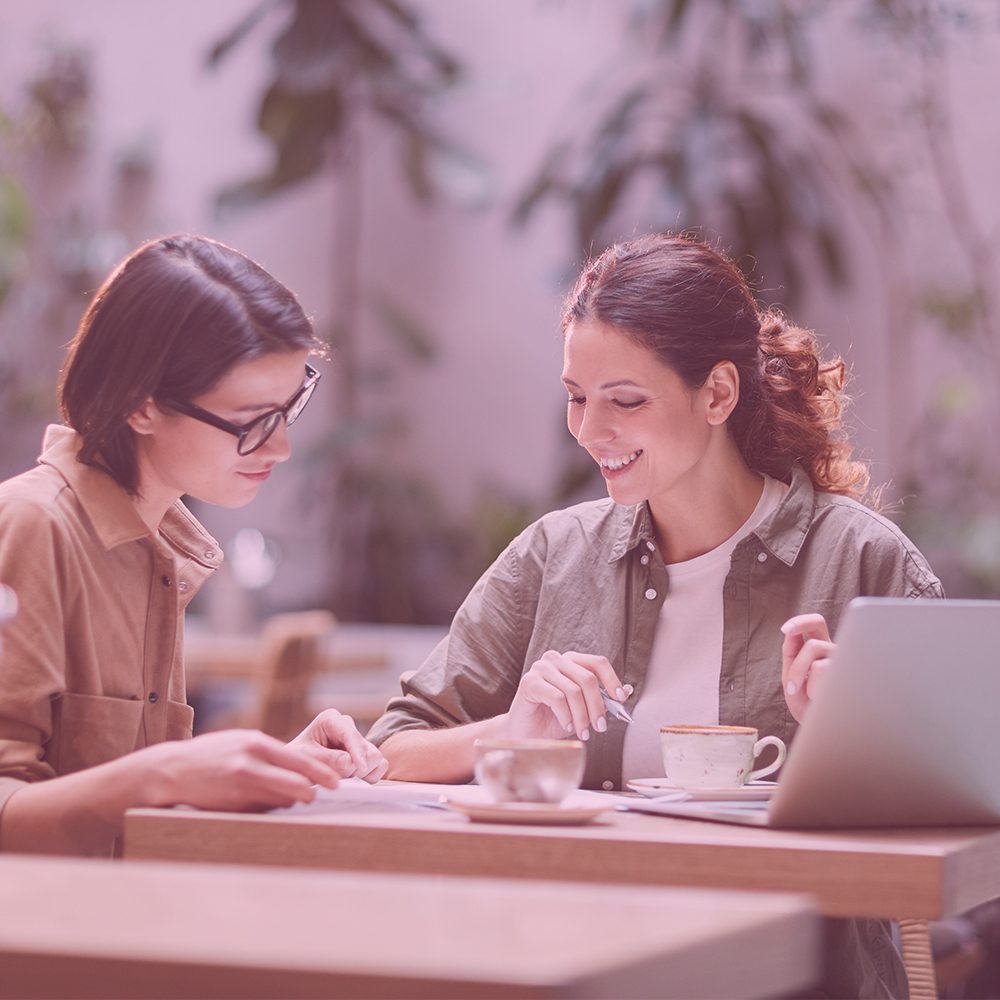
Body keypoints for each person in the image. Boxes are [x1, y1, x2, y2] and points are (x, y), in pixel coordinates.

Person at [366, 232, 942, 998]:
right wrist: (513, 733)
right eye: (576, 397)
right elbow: (389, 753)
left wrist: (857, 742)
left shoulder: (863, 563)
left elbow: (959, 819)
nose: (589, 431)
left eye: (626, 401)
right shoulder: (554, 556)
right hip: (569, 969)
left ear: (718, 394)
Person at [0, 234, 386, 857]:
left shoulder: (160, 544)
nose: (280, 447)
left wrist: (269, 764)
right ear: (142, 406)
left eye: (290, 408)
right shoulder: (31, 526)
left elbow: (119, 799)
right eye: (253, 420)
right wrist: (169, 774)